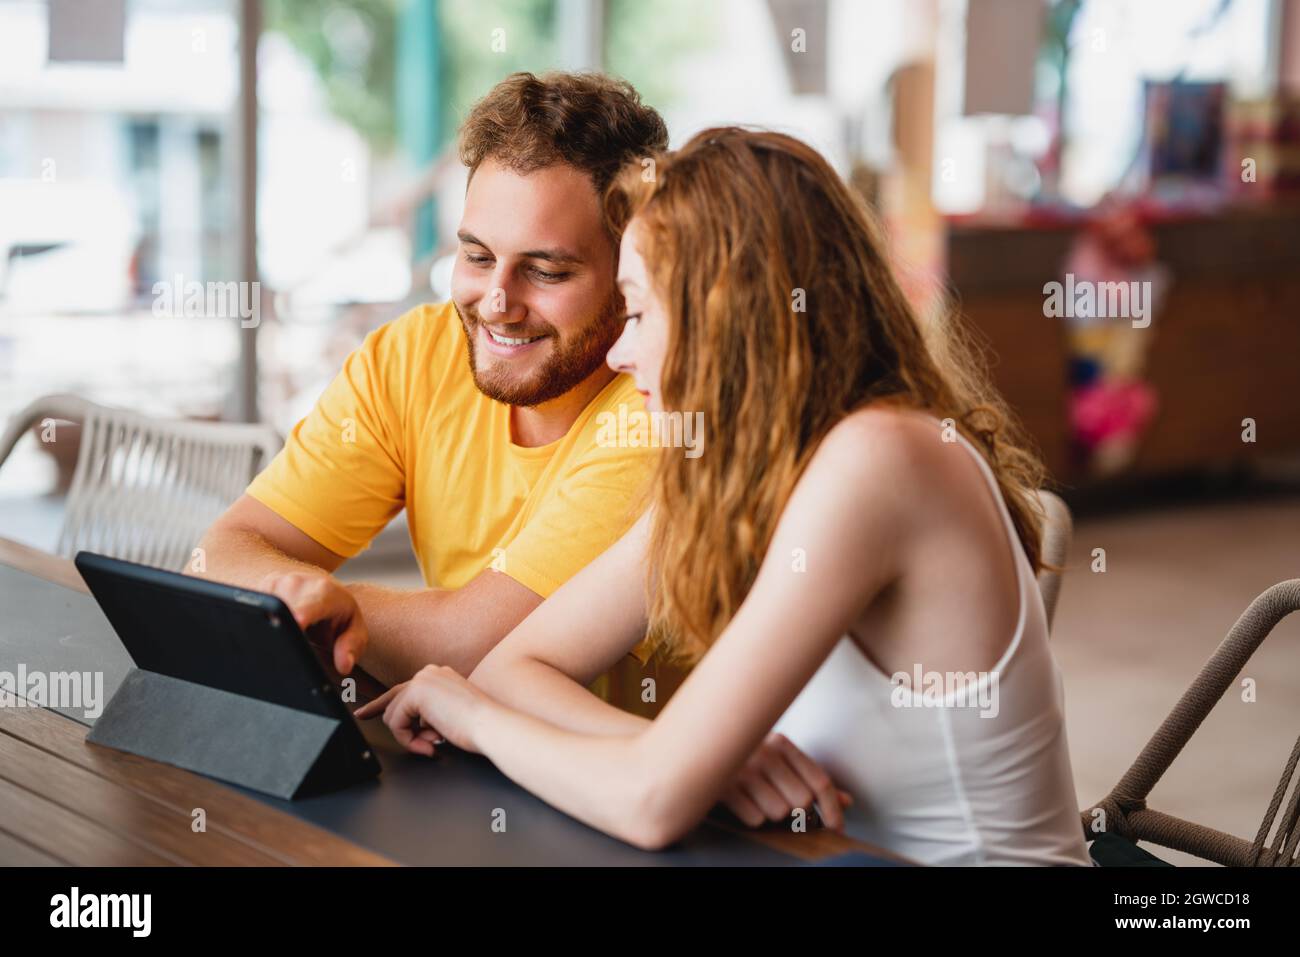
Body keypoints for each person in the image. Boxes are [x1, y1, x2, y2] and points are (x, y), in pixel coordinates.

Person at [356, 127, 1093, 865]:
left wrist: (473, 716)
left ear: (726, 316)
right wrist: (690, 757)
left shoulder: (879, 459)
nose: (618, 351)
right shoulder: (735, 467)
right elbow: (517, 670)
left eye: (639, 313)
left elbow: (648, 801)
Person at [194, 76, 843, 830]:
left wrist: (311, 611)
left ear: (630, 269)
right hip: (491, 781)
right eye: (476, 255)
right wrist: (304, 601)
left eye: (547, 270)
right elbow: (219, 557)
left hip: (696, 826)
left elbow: (481, 648)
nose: (496, 300)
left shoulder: (659, 402)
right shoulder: (413, 355)